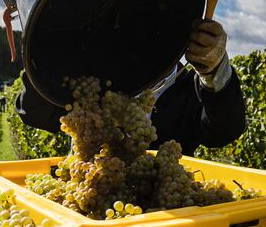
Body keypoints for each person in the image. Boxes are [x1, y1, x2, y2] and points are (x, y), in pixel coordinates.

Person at [15, 19, 246, 156]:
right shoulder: (100, 84)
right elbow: (35, 112)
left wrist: (215, 71)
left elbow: (223, 131)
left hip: (165, 217)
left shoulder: (191, 88)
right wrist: (43, 51)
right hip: (92, 202)